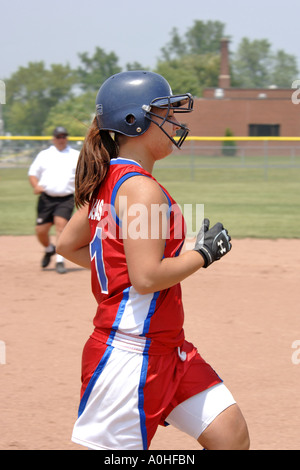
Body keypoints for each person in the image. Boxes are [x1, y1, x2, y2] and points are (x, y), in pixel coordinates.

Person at [57, 71, 250, 450]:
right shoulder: (141, 189)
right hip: (131, 354)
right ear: (135, 121)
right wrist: (203, 254)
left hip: (169, 349)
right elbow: (146, 278)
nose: (176, 122)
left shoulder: (109, 180)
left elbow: (67, 245)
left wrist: (121, 268)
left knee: (231, 436)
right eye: (166, 112)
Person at [28, 126, 79, 274]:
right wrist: (36, 186)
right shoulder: (44, 155)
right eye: (58, 136)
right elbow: (32, 173)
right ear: (53, 138)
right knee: (41, 230)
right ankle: (49, 249)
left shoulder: (75, 155)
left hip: (66, 198)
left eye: (64, 136)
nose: (61, 139)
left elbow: (83, 174)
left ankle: (59, 261)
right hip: (46, 198)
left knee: (60, 226)